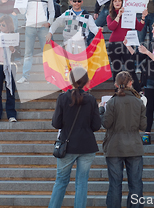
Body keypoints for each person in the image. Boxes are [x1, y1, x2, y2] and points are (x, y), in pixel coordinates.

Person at [48, 67, 101, 208]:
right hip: (87, 146)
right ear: (86, 81)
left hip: (67, 145)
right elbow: (96, 125)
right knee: (82, 182)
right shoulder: (91, 99)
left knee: (61, 181)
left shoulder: (62, 98)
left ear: (70, 80)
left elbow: (56, 123)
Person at [99, 71, 147, 208]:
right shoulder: (139, 102)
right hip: (134, 147)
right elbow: (143, 126)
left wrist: (101, 111)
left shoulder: (112, 102)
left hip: (114, 147)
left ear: (116, 84)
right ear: (131, 83)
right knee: (136, 184)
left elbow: (106, 124)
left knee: (115, 184)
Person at [17, 0, 55, 84]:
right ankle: (25, 77)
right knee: (28, 53)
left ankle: (50, 77)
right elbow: (22, 11)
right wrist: (18, 0)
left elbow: (52, 11)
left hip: (43, 28)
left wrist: (49, 22)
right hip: (30, 27)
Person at [106, 0, 146, 92]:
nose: (117, 2)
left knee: (130, 68)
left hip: (127, 44)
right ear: (112, 3)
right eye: (115, 1)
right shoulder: (110, 16)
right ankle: (118, 90)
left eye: (119, 0)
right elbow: (111, 27)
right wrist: (119, 15)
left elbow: (139, 27)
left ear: (122, 3)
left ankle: (137, 90)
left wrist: (143, 18)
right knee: (116, 69)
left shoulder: (130, 13)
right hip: (114, 44)